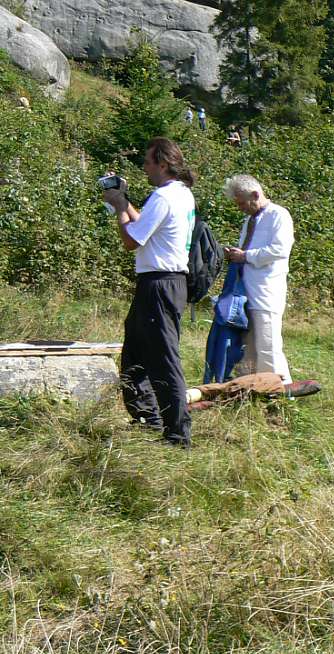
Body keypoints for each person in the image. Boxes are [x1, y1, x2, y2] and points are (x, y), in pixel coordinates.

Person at [101, 138, 196, 447]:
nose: (144, 167)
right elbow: (145, 226)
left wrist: (118, 208)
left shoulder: (163, 197)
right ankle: (148, 420)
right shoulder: (181, 195)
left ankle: (177, 434)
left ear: (163, 164)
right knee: (136, 356)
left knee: (164, 358)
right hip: (163, 283)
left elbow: (132, 241)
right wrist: (126, 201)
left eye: (147, 162)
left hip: (159, 284)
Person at [222, 174, 294, 383]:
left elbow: (280, 250)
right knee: (248, 347)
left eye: (242, 203)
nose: (240, 208)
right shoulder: (250, 220)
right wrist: (235, 253)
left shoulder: (278, 215)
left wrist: (246, 256)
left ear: (255, 194)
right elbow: (248, 249)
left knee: (268, 346)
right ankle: (249, 391)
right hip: (245, 292)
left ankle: (281, 394)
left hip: (266, 292)